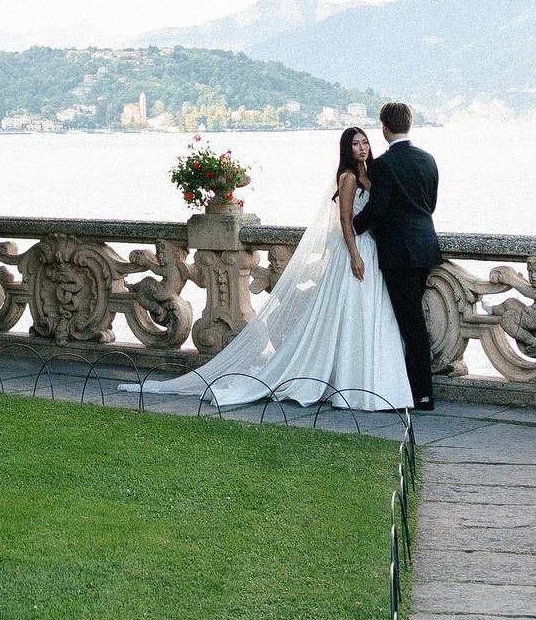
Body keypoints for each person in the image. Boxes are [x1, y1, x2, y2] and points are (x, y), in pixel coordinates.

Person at [123, 125, 412, 410]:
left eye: (364, 142)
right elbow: (345, 221)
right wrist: (354, 254)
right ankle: (347, 383)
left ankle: (367, 379)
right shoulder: (348, 177)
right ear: (346, 150)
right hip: (357, 251)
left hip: (373, 250)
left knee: (366, 315)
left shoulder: (370, 174)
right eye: (355, 144)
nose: (362, 148)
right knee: (351, 314)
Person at [352, 100, 443, 410]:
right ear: (410, 124)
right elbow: (429, 205)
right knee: (411, 319)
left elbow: (376, 211)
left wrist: (351, 225)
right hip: (426, 247)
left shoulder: (384, 165)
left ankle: (421, 394)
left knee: (410, 323)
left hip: (399, 253)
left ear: (384, 129)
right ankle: (409, 387)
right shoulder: (428, 159)